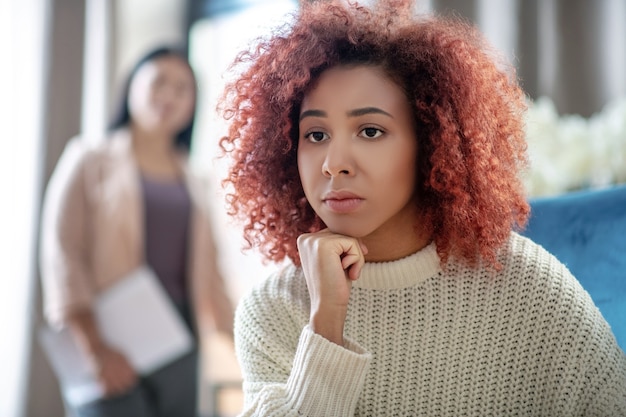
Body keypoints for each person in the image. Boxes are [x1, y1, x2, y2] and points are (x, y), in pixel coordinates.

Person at [217, 1, 626, 416]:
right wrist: (326, 325)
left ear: (431, 144)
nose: (333, 162)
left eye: (370, 130)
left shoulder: (530, 291)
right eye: (316, 134)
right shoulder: (272, 310)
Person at [39, 45, 234, 417]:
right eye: (159, 82)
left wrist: (246, 340)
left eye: (183, 89)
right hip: (109, 341)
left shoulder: (194, 180)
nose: (170, 97)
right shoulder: (88, 159)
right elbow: (62, 256)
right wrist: (95, 349)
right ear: (131, 87)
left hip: (180, 342)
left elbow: (212, 274)